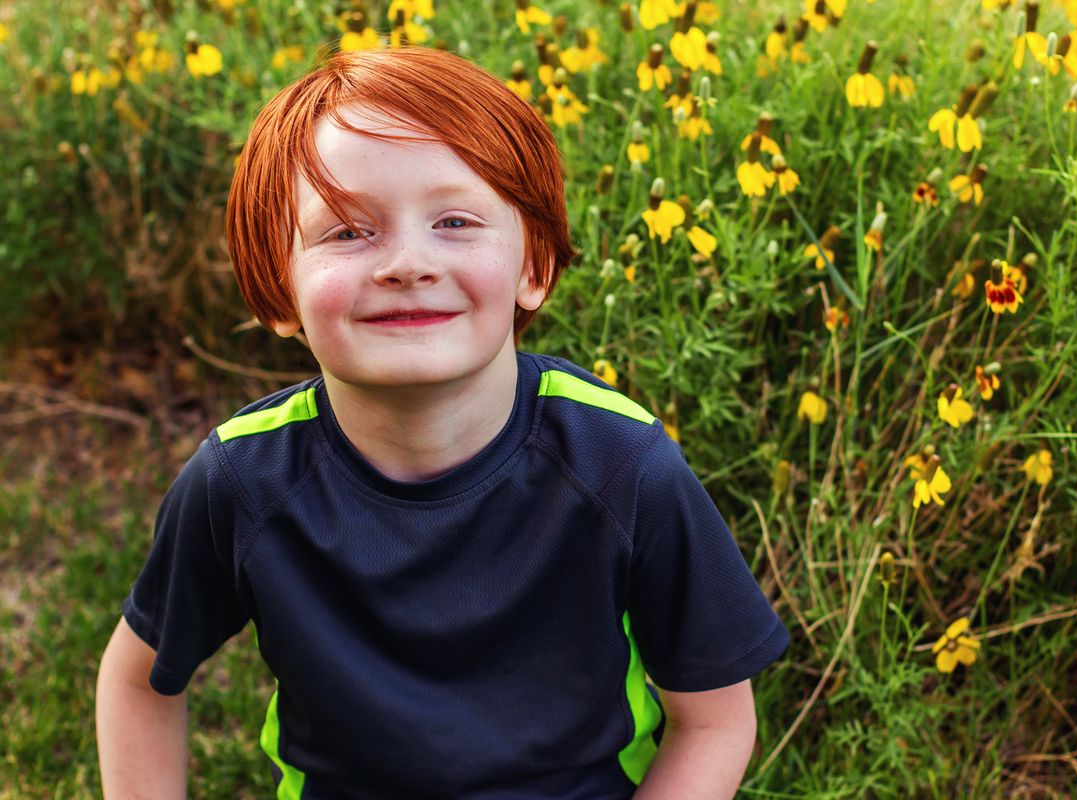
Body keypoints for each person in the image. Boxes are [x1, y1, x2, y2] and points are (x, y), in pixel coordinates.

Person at [95, 46, 789, 799]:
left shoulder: (622, 465)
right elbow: (138, 682)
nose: (407, 262)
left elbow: (716, 720)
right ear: (276, 291)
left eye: (455, 221)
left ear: (534, 267)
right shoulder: (242, 482)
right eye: (349, 232)